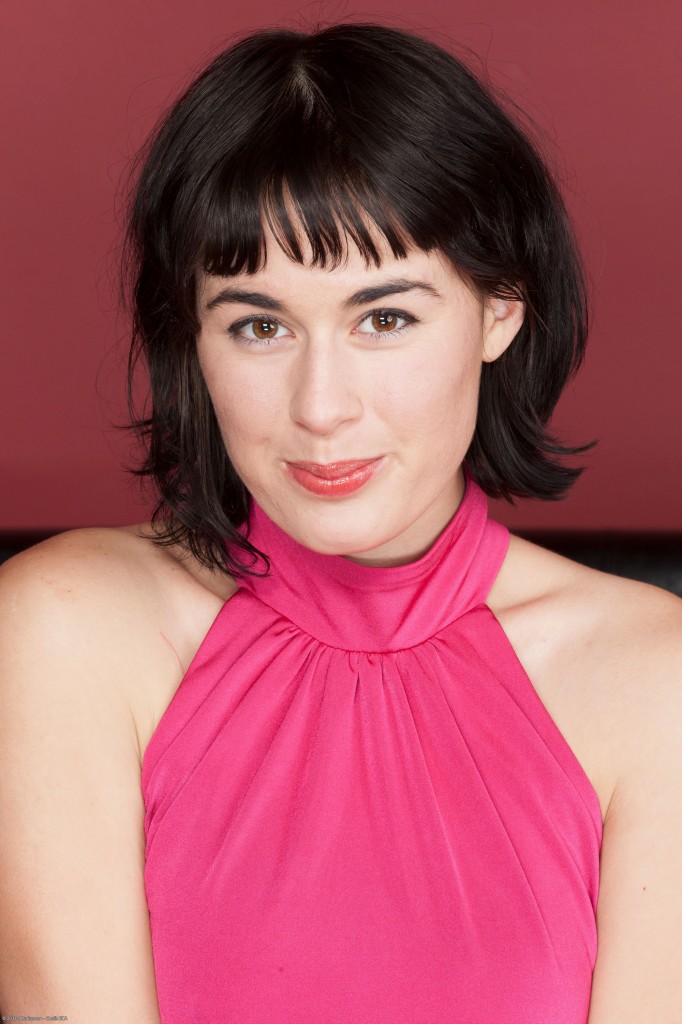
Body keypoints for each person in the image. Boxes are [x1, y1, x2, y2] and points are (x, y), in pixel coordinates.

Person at [0, 21, 680, 1024]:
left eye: (385, 318)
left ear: (500, 309)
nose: (320, 407)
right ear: (192, 338)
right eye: (258, 325)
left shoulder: (657, 679)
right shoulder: (64, 628)